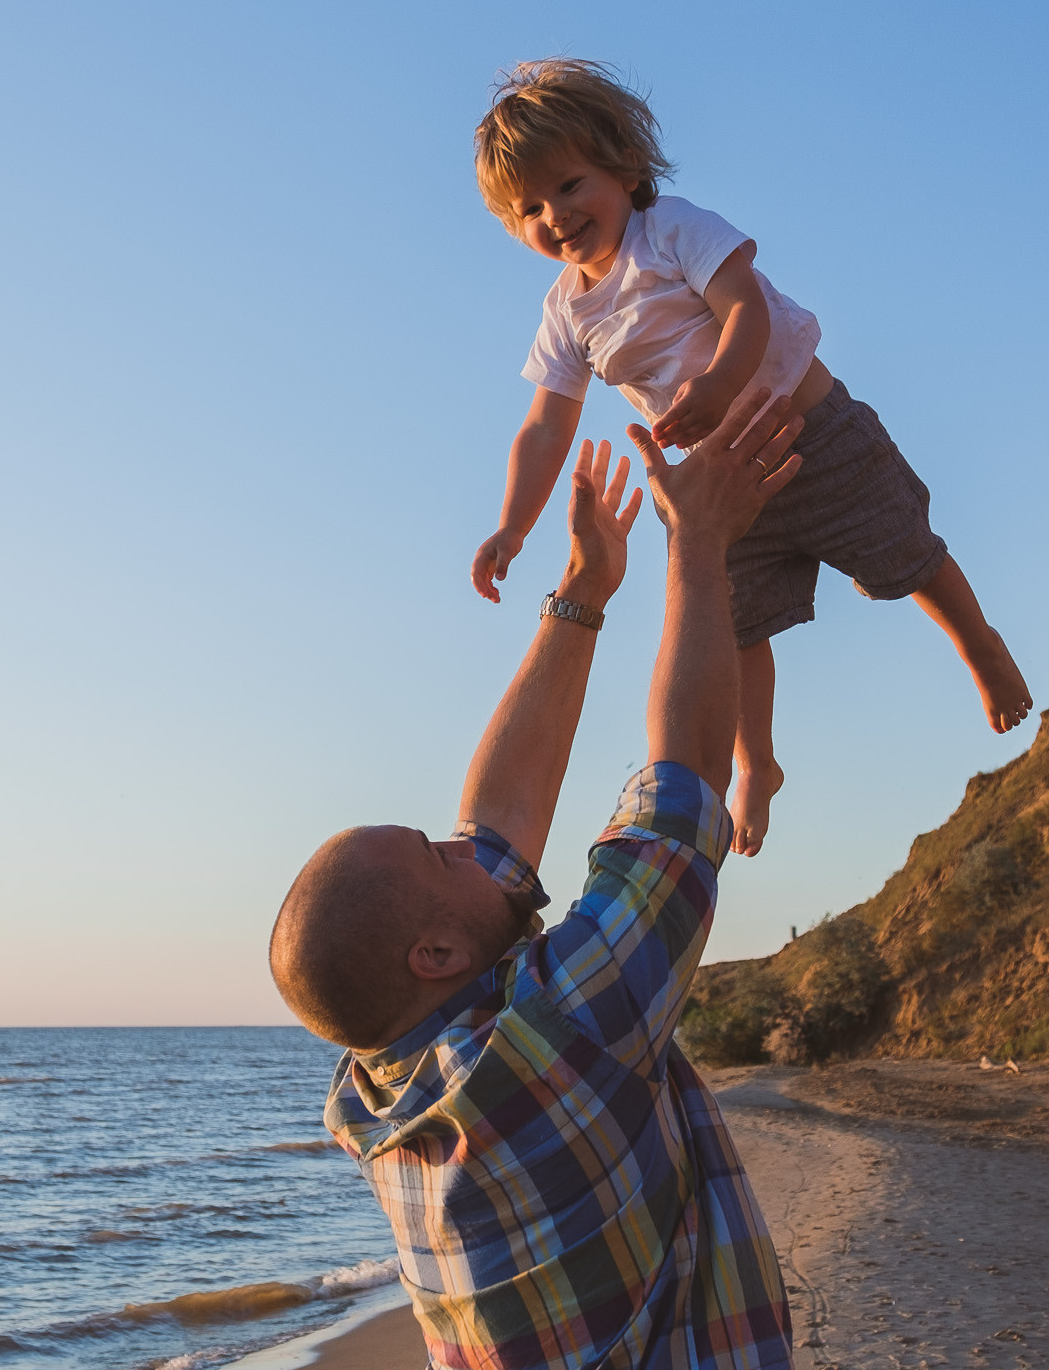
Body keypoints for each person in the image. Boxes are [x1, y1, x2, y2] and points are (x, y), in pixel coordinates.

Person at [270, 391, 807, 1370]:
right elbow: (684, 781)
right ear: (433, 953)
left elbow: (497, 828)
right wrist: (702, 540)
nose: (465, 841)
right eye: (438, 852)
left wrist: (584, 588)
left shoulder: (384, 1094)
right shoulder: (554, 1031)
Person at [466, 58, 1032, 855]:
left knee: (908, 552)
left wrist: (718, 381)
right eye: (528, 208)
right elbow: (545, 426)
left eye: (569, 185)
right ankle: (754, 761)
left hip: (817, 439)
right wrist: (512, 527)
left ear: (625, 169)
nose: (554, 215)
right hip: (726, 486)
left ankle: (982, 647)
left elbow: (746, 309)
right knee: (731, 627)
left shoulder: (673, 232)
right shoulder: (565, 314)